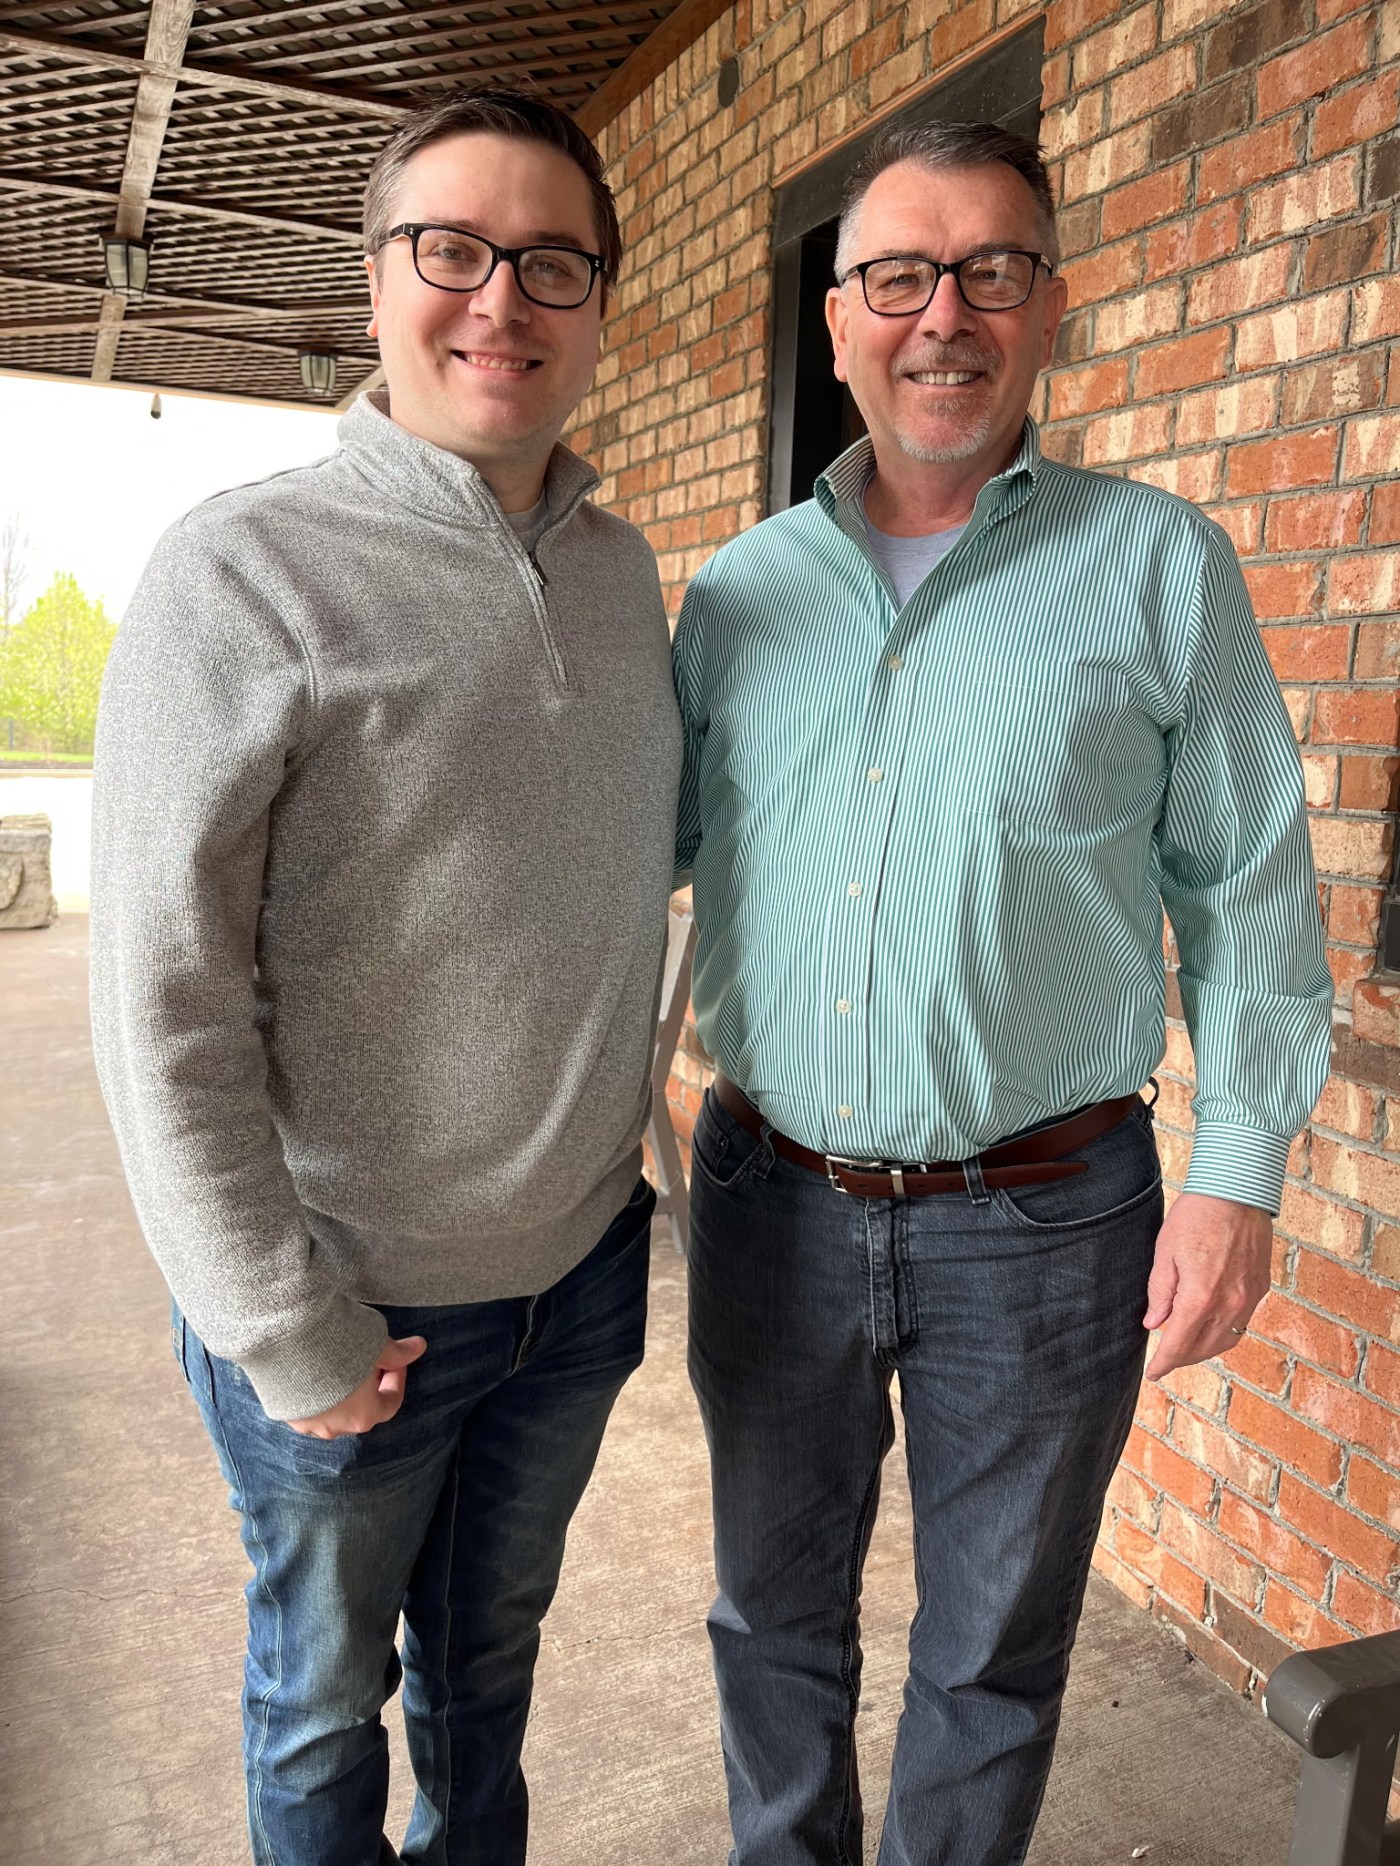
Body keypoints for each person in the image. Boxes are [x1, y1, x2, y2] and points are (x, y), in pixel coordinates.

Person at [672, 120, 1332, 1866]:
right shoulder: (739, 595)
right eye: (898, 275)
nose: (943, 314)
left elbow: (1252, 889)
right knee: (769, 1620)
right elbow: (613, 859)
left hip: (1047, 1219)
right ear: (837, 322)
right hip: (770, 1200)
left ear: (1050, 309)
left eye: (992, 270)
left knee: (990, 1658)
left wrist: (1239, 1174)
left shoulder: (1164, 566)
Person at [90, 86, 680, 1866]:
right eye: (454, 249)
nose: (502, 297)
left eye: (552, 261)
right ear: (376, 284)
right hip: (356, 1314)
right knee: (319, 1704)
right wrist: (287, 1329)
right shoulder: (240, 573)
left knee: (486, 1676)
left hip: (577, 1283)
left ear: (599, 303)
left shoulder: (621, 571)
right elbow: (161, 999)